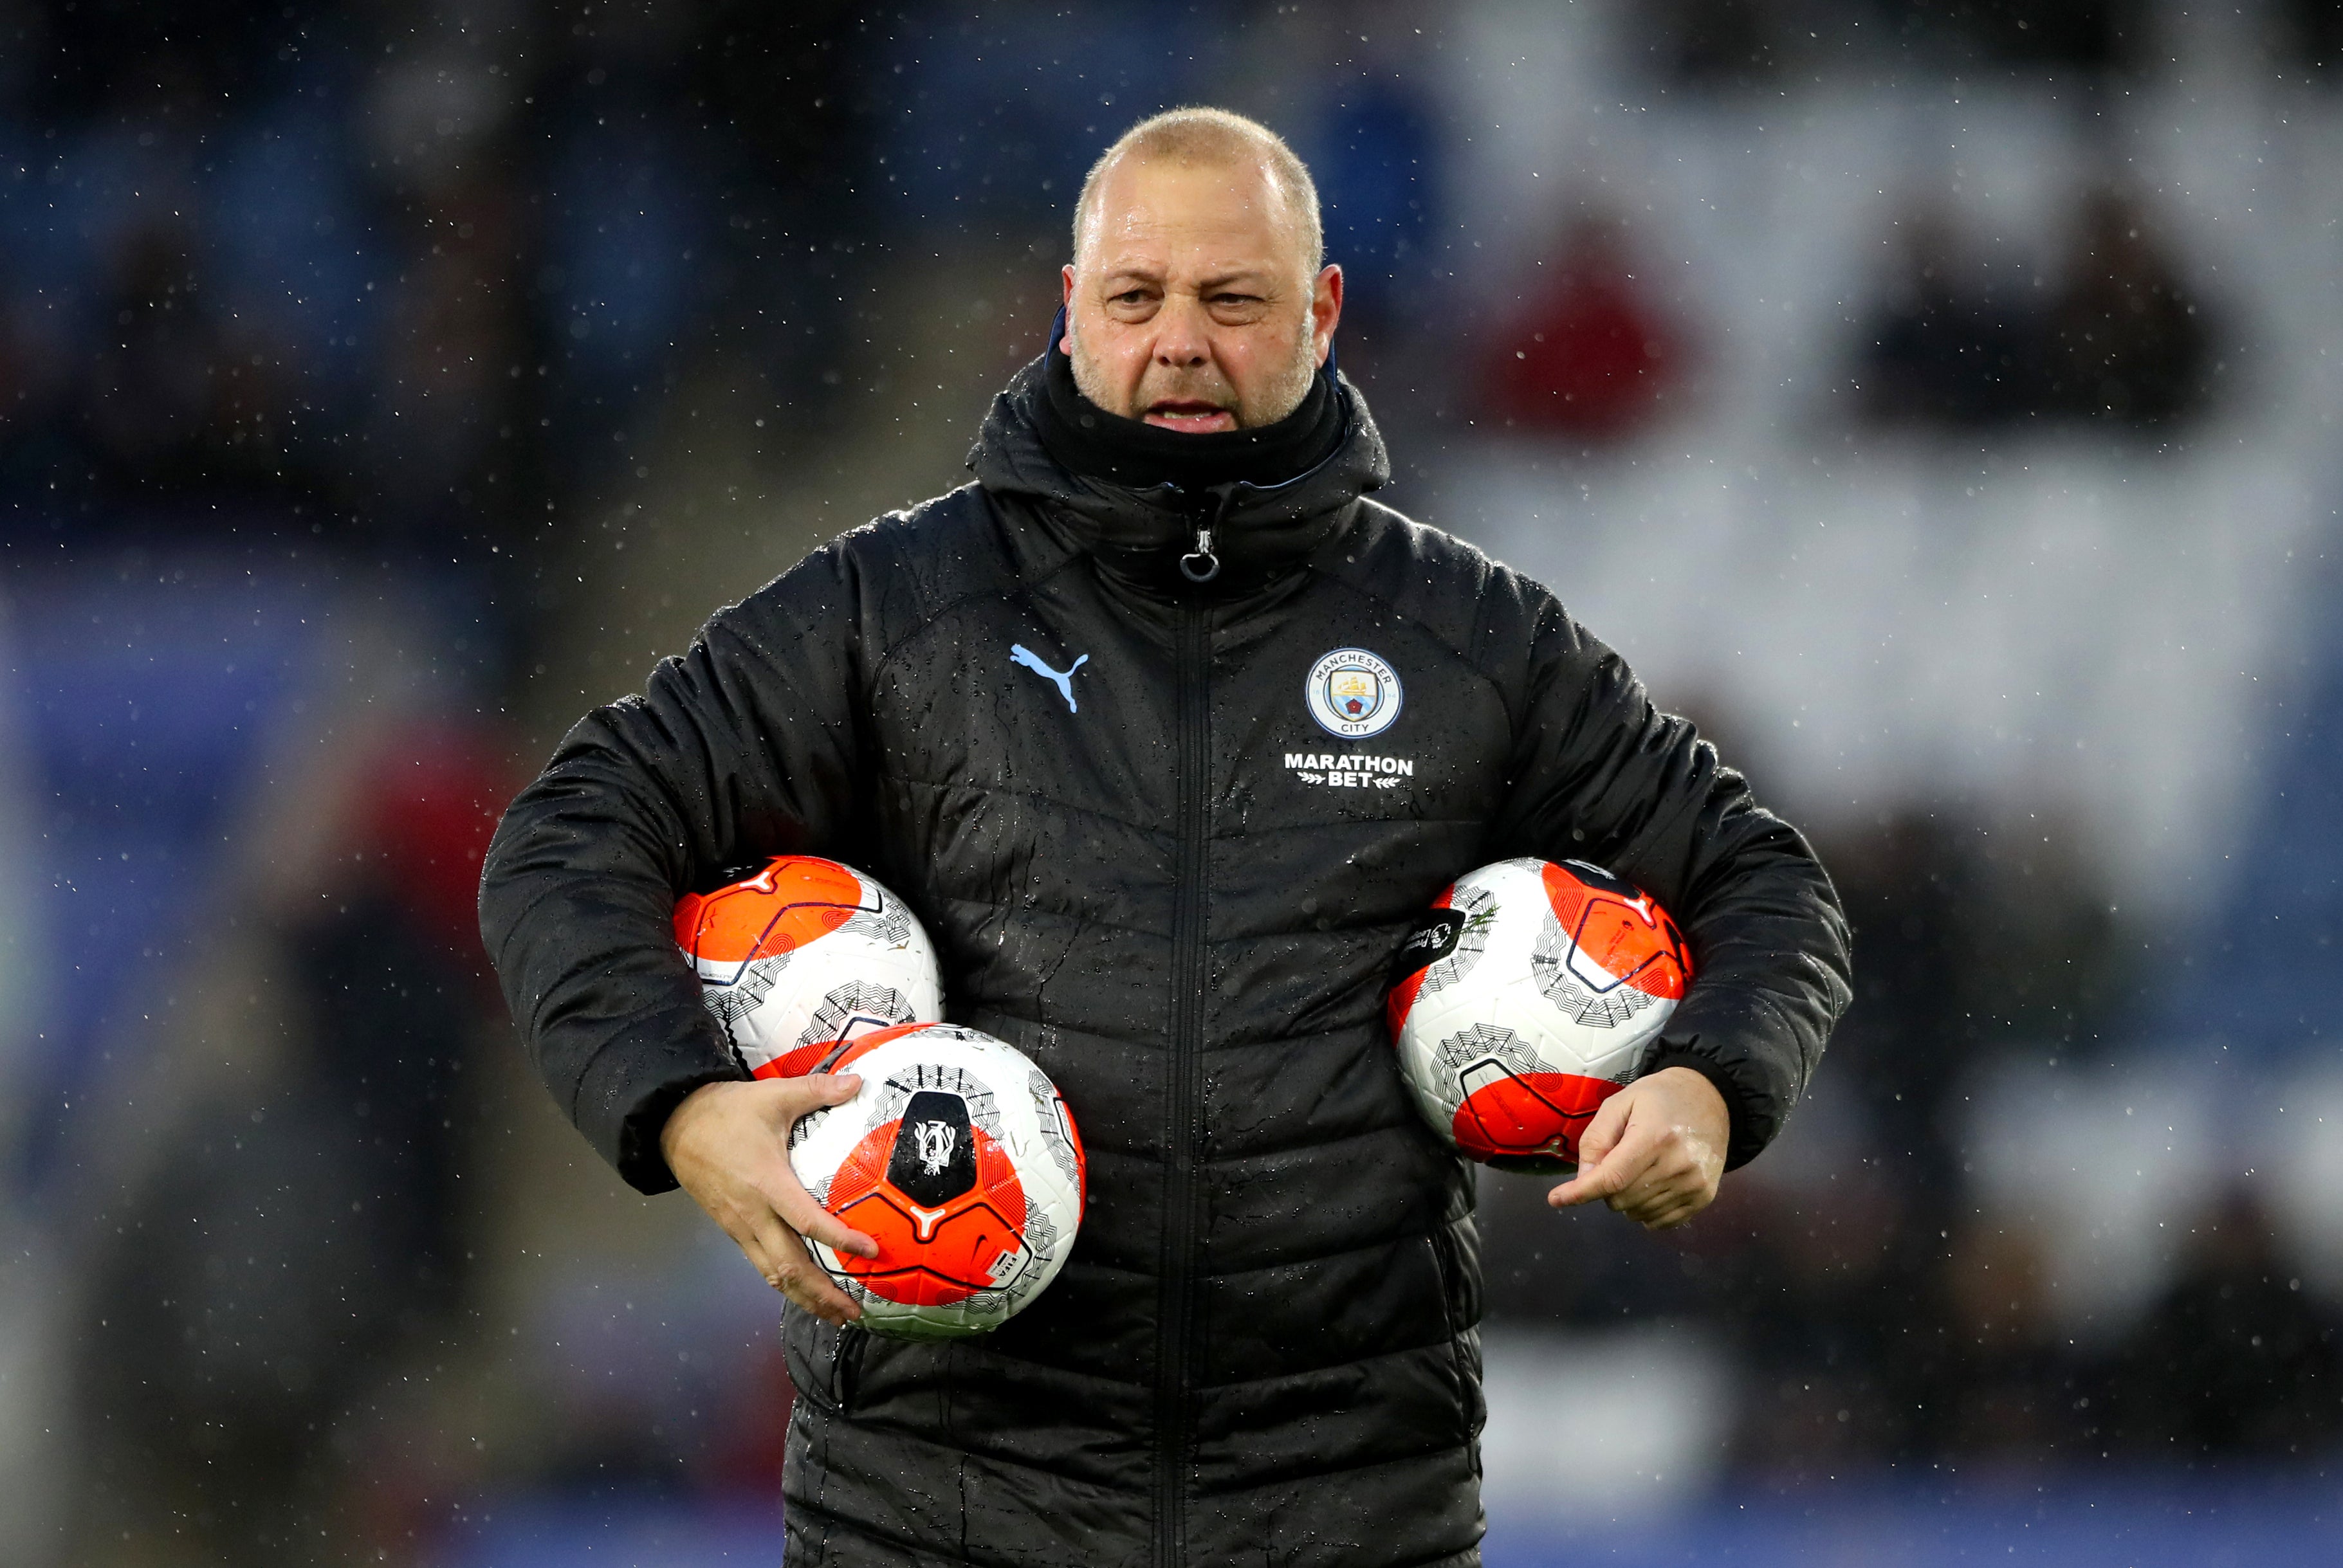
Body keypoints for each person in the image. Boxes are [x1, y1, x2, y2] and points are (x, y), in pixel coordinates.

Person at [480, 107, 1851, 1567]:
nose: (1181, 341)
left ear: (1322, 314)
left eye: (1234, 297)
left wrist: (1713, 1082)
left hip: (1346, 1512)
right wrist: (676, 1104)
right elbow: (571, 829)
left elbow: (1760, 878)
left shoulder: (1469, 640)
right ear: (1071, 312)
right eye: (1136, 298)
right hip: (939, 1514)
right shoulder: (898, 612)